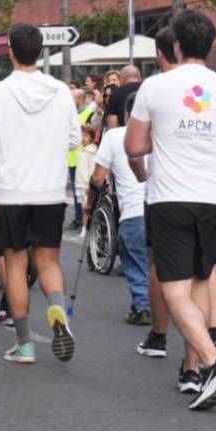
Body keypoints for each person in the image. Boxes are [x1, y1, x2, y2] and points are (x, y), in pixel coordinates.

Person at [125, 10, 216, 411]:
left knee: (174, 288)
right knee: (201, 278)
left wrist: (167, 137)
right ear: (210, 45)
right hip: (212, 196)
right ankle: (192, 373)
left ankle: (211, 362)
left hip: (170, 195)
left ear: (176, 46)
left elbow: (133, 147)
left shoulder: (154, 87)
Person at [0, 22, 80, 365]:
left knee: (15, 265)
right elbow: (75, 139)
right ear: (41, 51)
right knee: (48, 261)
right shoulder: (61, 91)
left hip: (8, 192)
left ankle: (24, 343)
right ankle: (58, 311)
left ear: (11, 51)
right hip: (48, 190)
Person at [90, 94, 151, 325]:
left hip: (133, 210)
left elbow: (98, 177)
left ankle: (142, 306)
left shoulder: (114, 136)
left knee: (135, 259)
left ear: (128, 114)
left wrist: (92, 195)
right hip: (160, 207)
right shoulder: (159, 134)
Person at [67, 88, 99, 230]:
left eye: (72, 98)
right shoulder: (70, 113)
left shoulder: (87, 113)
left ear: (79, 99)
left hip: (86, 158)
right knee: (77, 193)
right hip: (73, 158)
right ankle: (79, 218)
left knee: (85, 192)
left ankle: (84, 220)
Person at [73, 126, 99, 236]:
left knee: (88, 208)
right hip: (81, 184)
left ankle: (88, 229)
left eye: (86, 136)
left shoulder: (91, 152)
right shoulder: (83, 151)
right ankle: (84, 229)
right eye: (82, 136)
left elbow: (92, 169)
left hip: (86, 184)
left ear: (91, 138)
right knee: (85, 208)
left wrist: (90, 184)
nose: (83, 138)